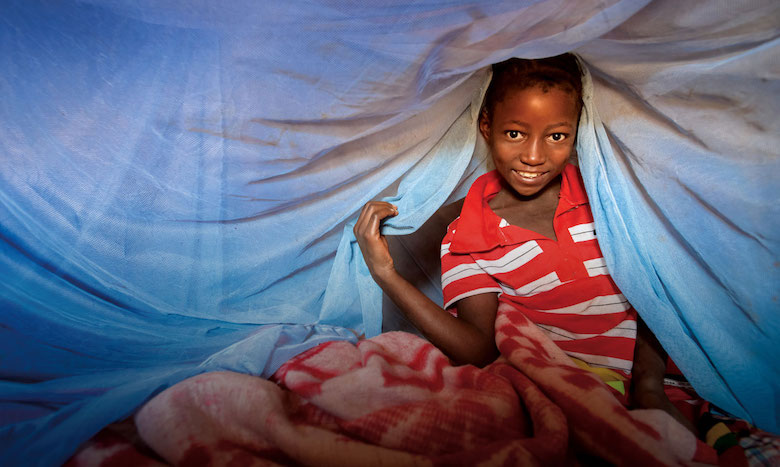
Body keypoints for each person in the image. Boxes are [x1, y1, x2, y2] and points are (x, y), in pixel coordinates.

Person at [353, 54, 696, 435]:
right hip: (560, 391)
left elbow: (655, 294)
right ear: (487, 126)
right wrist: (387, 275)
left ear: (576, 132)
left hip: (658, 381)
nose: (534, 157)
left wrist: (649, 387)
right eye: (515, 134)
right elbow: (478, 350)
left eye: (556, 136)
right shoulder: (468, 238)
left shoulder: (607, 197)